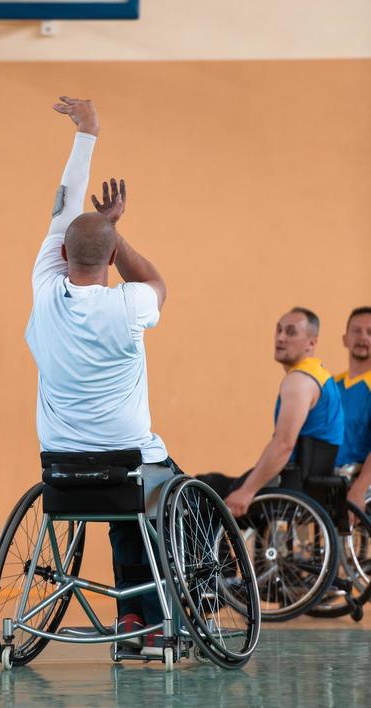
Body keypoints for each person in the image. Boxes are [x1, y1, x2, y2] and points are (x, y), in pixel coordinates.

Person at [25, 96, 168, 655]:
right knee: (162, 491)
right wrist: (115, 230)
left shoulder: (43, 291)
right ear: (111, 261)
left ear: (60, 253)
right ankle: (151, 614)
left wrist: (87, 134)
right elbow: (158, 284)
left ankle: (133, 617)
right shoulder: (129, 305)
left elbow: (62, 210)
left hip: (60, 467)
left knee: (120, 507)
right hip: (129, 460)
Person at [200, 308, 344, 517]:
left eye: (291, 332)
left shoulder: (299, 381)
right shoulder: (319, 376)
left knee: (204, 489)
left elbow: (284, 445)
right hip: (309, 483)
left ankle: (209, 551)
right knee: (213, 483)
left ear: (311, 343)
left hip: (292, 485)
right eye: (279, 330)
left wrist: (247, 492)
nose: (281, 337)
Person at [334, 307, 371, 513]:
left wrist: (360, 488)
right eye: (356, 331)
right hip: (327, 480)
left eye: (370, 332)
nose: (363, 338)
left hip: (360, 481)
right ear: (345, 339)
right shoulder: (330, 385)